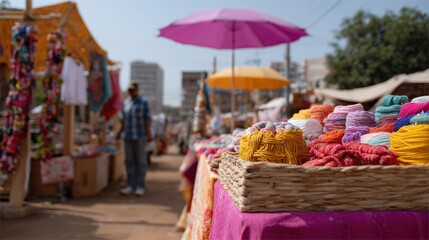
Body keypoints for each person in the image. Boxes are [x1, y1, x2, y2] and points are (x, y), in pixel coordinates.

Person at [117, 82, 152, 196]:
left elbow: (147, 119)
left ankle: (139, 186)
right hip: (128, 136)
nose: (132, 92)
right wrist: (119, 132)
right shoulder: (126, 103)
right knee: (129, 161)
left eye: (133, 90)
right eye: (130, 90)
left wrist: (148, 133)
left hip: (140, 136)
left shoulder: (144, 102)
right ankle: (131, 185)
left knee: (141, 161)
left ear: (137, 90)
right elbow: (124, 120)